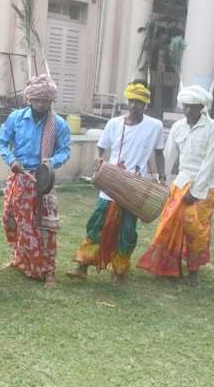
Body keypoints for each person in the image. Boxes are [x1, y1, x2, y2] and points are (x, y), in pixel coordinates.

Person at [66, 81, 165, 285]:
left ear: (146, 104)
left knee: (128, 231)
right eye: (131, 100)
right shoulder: (114, 123)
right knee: (97, 224)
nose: (134, 105)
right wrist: (98, 158)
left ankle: (119, 270)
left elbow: (158, 152)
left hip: (135, 187)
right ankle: (82, 265)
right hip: (111, 184)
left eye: (139, 102)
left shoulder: (155, 126)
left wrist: (162, 178)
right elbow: (100, 148)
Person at [137, 85, 214, 286]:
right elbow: (168, 156)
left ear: (202, 107)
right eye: (185, 106)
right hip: (180, 183)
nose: (187, 111)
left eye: (192, 107)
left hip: (205, 188)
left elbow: (209, 164)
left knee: (197, 231)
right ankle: (165, 266)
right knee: (167, 224)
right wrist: (162, 181)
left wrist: (195, 192)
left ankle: (194, 270)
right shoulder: (178, 127)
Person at [0, 74, 71, 288]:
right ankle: (19, 259)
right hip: (19, 179)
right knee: (13, 221)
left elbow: (65, 151)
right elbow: (2, 142)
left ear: (51, 101)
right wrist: (11, 160)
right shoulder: (16, 118)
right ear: (29, 99)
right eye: (36, 100)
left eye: (45, 101)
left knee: (46, 227)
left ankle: (48, 271)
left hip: (43, 181)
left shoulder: (58, 125)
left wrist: (50, 163)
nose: (40, 104)